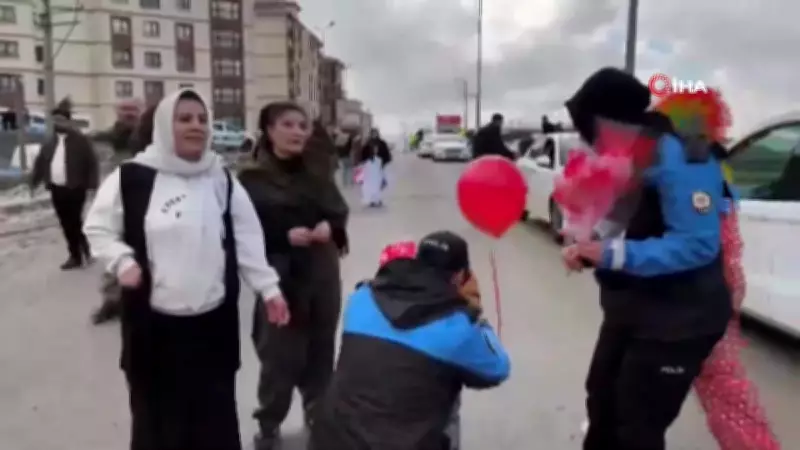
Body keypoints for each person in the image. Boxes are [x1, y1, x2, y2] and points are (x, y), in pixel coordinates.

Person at [83, 88, 289, 450]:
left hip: (212, 328)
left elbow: (247, 239)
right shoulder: (131, 178)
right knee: (159, 422)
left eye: (202, 119)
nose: (196, 126)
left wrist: (269, 289)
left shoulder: (221, 179)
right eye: (184, 119)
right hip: (154, 330)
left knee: (214, 421)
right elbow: (97, 227)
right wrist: (122, 261)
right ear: (164, 125)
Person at [560, 67, 733, 450]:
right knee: (601, 396)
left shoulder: (686, 156)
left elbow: (696, 244)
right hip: (633, 307)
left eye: (591, 127)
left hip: (681, 318)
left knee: (637, 424)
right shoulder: (627, 154)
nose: (589, 139)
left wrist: (611, 253)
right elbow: (622, 215)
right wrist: (587, 246)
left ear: (615, 119)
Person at [310, 231, 510, 450]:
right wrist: (473, 312)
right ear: (459, 277)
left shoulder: (362, 297)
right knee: (449, 388)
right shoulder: (457, 325)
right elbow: (497, 367)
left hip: (332, 439)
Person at [239, 101, 349, 450]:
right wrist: (283, 237)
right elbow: (242, 232)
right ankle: (269, 421)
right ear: (269, 131)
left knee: (320, 349)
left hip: (321, 273)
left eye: (303, 126)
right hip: (279, 278)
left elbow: (338, 213)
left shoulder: (318, 173)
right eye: (288, 124)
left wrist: (328, 226)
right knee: (279, 356)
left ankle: (317, 416)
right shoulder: (250, 179)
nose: (298, 132)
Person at [91, 104, 157, 325]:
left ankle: (134, 295)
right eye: (125, 114)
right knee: (114, 248)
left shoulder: (146, 135)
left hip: (140, 190)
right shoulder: (115, 134)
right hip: (118, 190)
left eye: (133, 114)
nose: (129, 118)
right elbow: (99, 138)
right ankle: (111, 299)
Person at [30, 97, 99, 270]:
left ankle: (83, 252)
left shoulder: (80, 141)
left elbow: (92, 163)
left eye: (61, 120)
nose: (57, 123)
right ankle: (77, 254)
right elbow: (41, 163)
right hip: (56, 188)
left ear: (68, 121)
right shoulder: (49, 142)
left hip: (75, 187)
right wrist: (34, 183)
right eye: (54, 120)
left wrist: (92, 186)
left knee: (74, 221)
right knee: (65, 223)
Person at [359, 128, 392, 207]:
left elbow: (386, 154)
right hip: (370, 165)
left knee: (378, 183)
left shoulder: (382, 143)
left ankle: (377, 199)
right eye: (373, 133)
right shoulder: (367, 144)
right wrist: (364, 162)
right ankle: (371, 200)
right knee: (370, 184)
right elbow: (363, 155)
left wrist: (384, 162)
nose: (374, 135)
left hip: (379, 164)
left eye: (375, 133)